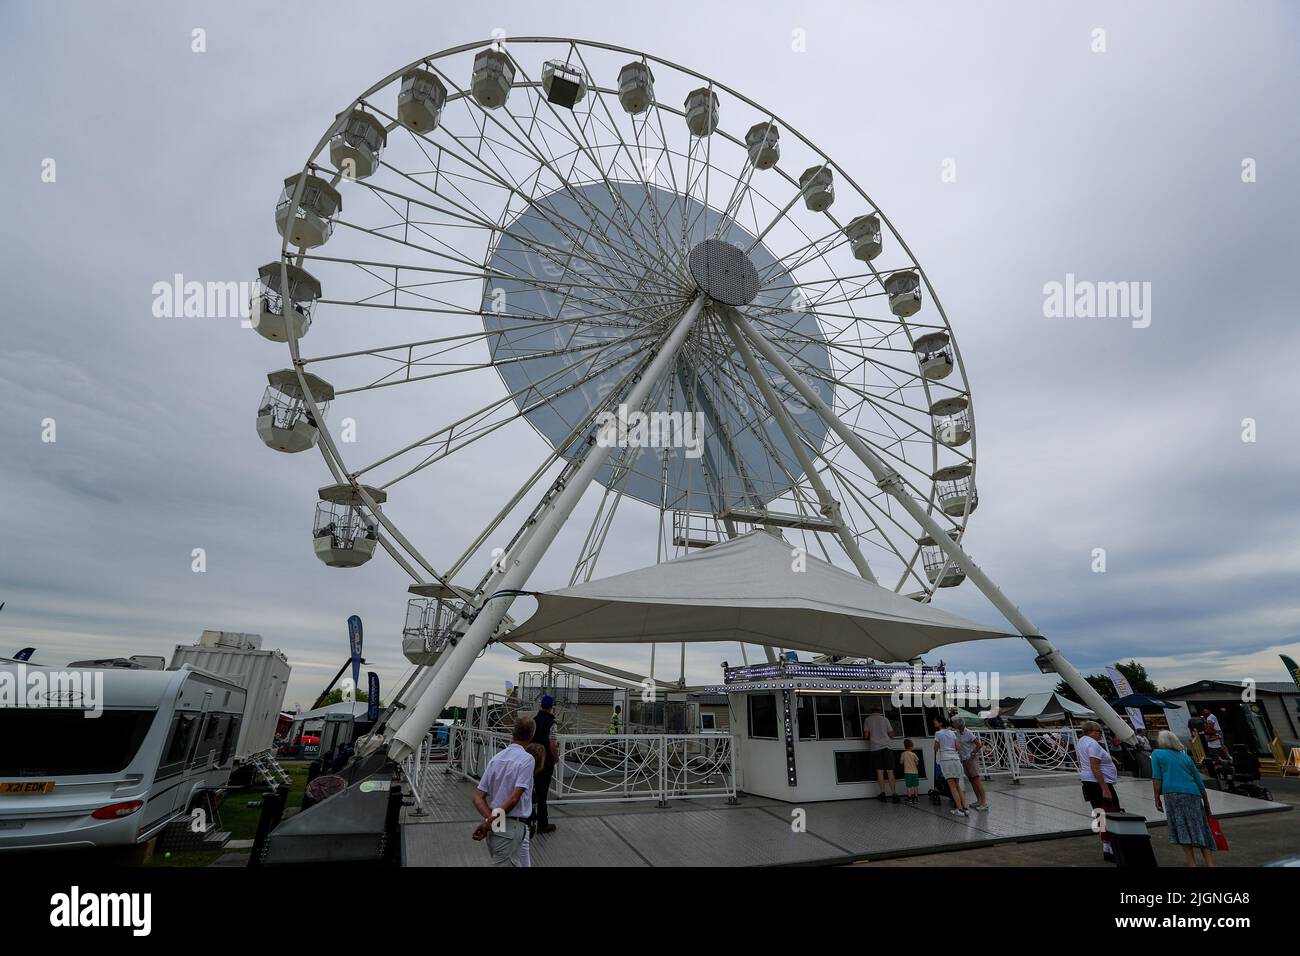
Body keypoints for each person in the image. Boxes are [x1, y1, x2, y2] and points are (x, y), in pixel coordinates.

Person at [472, 717, 536, 867]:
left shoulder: (496, 759)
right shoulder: (527, 760)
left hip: (499, 826)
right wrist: (491, 822)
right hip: (512, 828)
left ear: (513, 733)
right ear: (532, 735)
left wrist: (491, 821)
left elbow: (478, 797)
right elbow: (514, 799)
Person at [1151, 730, 1216, 867]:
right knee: (1200, 828)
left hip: (1173, 793)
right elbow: (1199, 781)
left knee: (1182, 828)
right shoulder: (1185, 757)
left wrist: (1157, 797)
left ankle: (1192, 863)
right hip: (1192, 793)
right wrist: (1207, 804)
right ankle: (1210, 864)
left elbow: (1157, 777)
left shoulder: (1157, 754)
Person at [1077, 719, 1123, 863]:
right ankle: (1113, 846)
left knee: (1101, 814)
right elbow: (1095, 766)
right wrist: (1105, 788)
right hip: (1098, 783)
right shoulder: (1093, 744)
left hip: (1089, 782)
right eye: (1099, 732)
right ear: (1092, 731)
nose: (1101, 735)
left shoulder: (1082, 741)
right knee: (1111, 812)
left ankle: (1107, 847)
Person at [531, 694, 560, 835]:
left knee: (531, 789)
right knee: (542, 792)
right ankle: (543, 823)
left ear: (541, 705)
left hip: (532, 760)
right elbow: (552, 744)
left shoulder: (534, 721)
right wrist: (556, 757)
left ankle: (530, 819)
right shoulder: (552, 723)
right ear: (552, 707)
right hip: (546, 761)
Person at [863, 704, 900, 803]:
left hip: (875, 748)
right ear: (879, 711)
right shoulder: (885, 719)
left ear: (872, 712)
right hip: (887, 747)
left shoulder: (867, 720)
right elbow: (891, 734)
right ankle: (894, 794)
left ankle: (882, 793)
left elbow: (866, 735)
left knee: (879, 771)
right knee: (890, 771)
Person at [933, 717, 968, 817]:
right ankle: (965, 807)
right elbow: (958, 747)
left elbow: (935, 748)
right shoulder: (952, 733)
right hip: (955, 759)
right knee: (958, 785)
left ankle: (959, 809)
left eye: (936, 721)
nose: (934, 722)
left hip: (946, 759)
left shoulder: (938, 733)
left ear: (940, 723)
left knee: (952, 786)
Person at [952, 718, 989, 811]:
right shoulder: (957, 733)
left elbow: (978, 744)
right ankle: (978, 800)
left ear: (959, 725)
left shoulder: (968, 732)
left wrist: (973, 752)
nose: (954, 725)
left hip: (970, 759)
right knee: (972, 780)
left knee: (976, 780)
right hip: (964, 758)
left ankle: (984, 802)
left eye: (955, 724)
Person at [899, 738, 921, 804]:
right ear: (911, 746)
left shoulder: (903, 754)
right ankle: (916, 798)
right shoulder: (914, 754)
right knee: (915, 785)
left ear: (905, 746)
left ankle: (910, 798)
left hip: (907, 772)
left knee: (909, 786)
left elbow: (901, 762)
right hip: (915, 772)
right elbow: (917, 763)